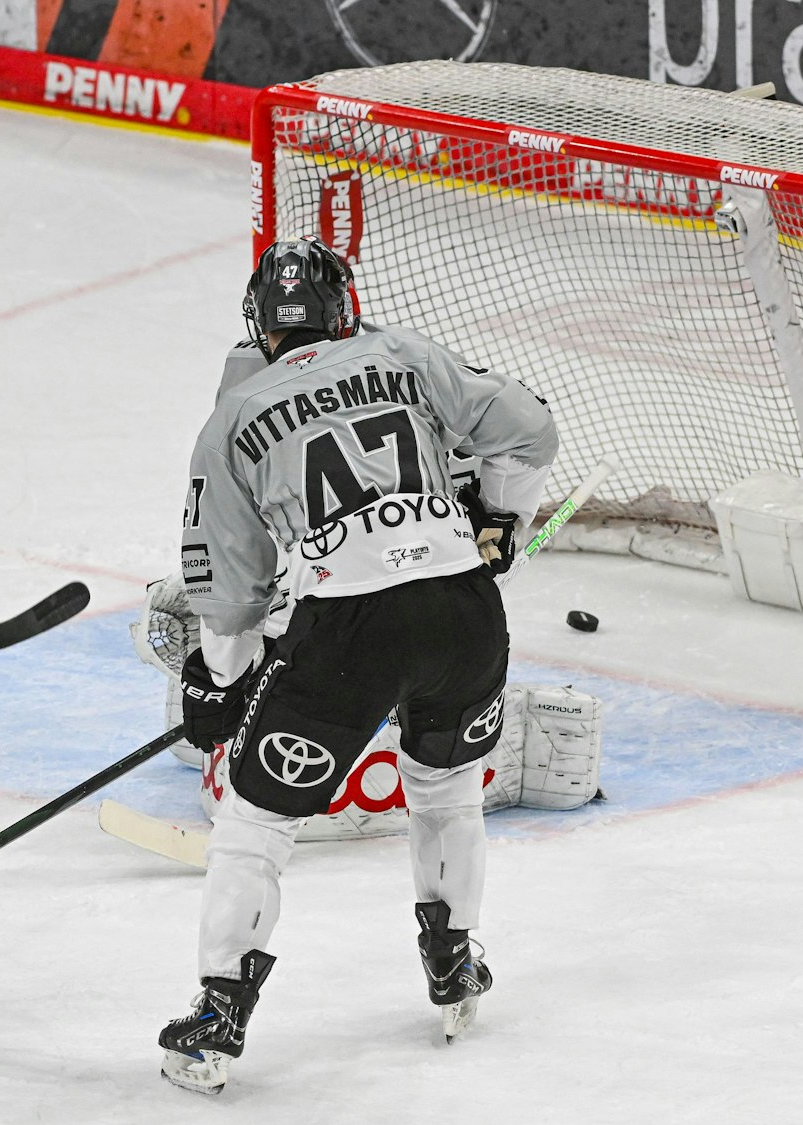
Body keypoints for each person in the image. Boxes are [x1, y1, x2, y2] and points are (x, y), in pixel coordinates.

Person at [157, 238, 558, 1095]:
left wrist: (220, 682)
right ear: (347, 313)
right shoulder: (402, 353)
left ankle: (220, 1011)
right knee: (446, 790)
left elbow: (228, 588)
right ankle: (454, 958)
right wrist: (500, 520)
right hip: (465, 611)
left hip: (348, 630)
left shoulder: (231, 416)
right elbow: (530, 428)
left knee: (256, 821)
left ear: (259, 328)